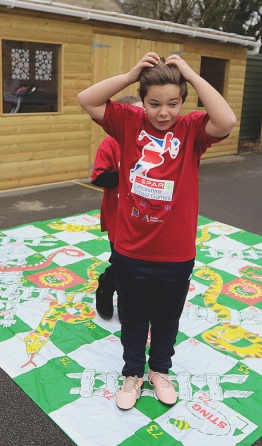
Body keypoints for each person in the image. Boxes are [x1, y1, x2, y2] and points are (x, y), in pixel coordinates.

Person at [77, 53, 236, 410]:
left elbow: (226, 119)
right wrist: (131, 73)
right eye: (154, 104)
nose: (164, 113)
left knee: (167, 317)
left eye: (172, 103)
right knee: (132, 317)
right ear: (143, 100)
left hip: (176, 252)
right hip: (132, 249)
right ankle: (132, 373)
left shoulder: (192, 128)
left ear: (183, 100)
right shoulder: (128, 122)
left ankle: (159, 371)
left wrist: (192, 75)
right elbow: (86, 99)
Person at [91, 94, 142, 321]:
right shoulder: (111, 143)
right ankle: (106, 287)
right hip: (117, 217)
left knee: (137, 266)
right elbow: (98, 177)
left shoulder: (149, 143)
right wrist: (128, 173)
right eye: (135, 114)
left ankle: (127, 301)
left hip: (143, 218)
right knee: (121, 263)